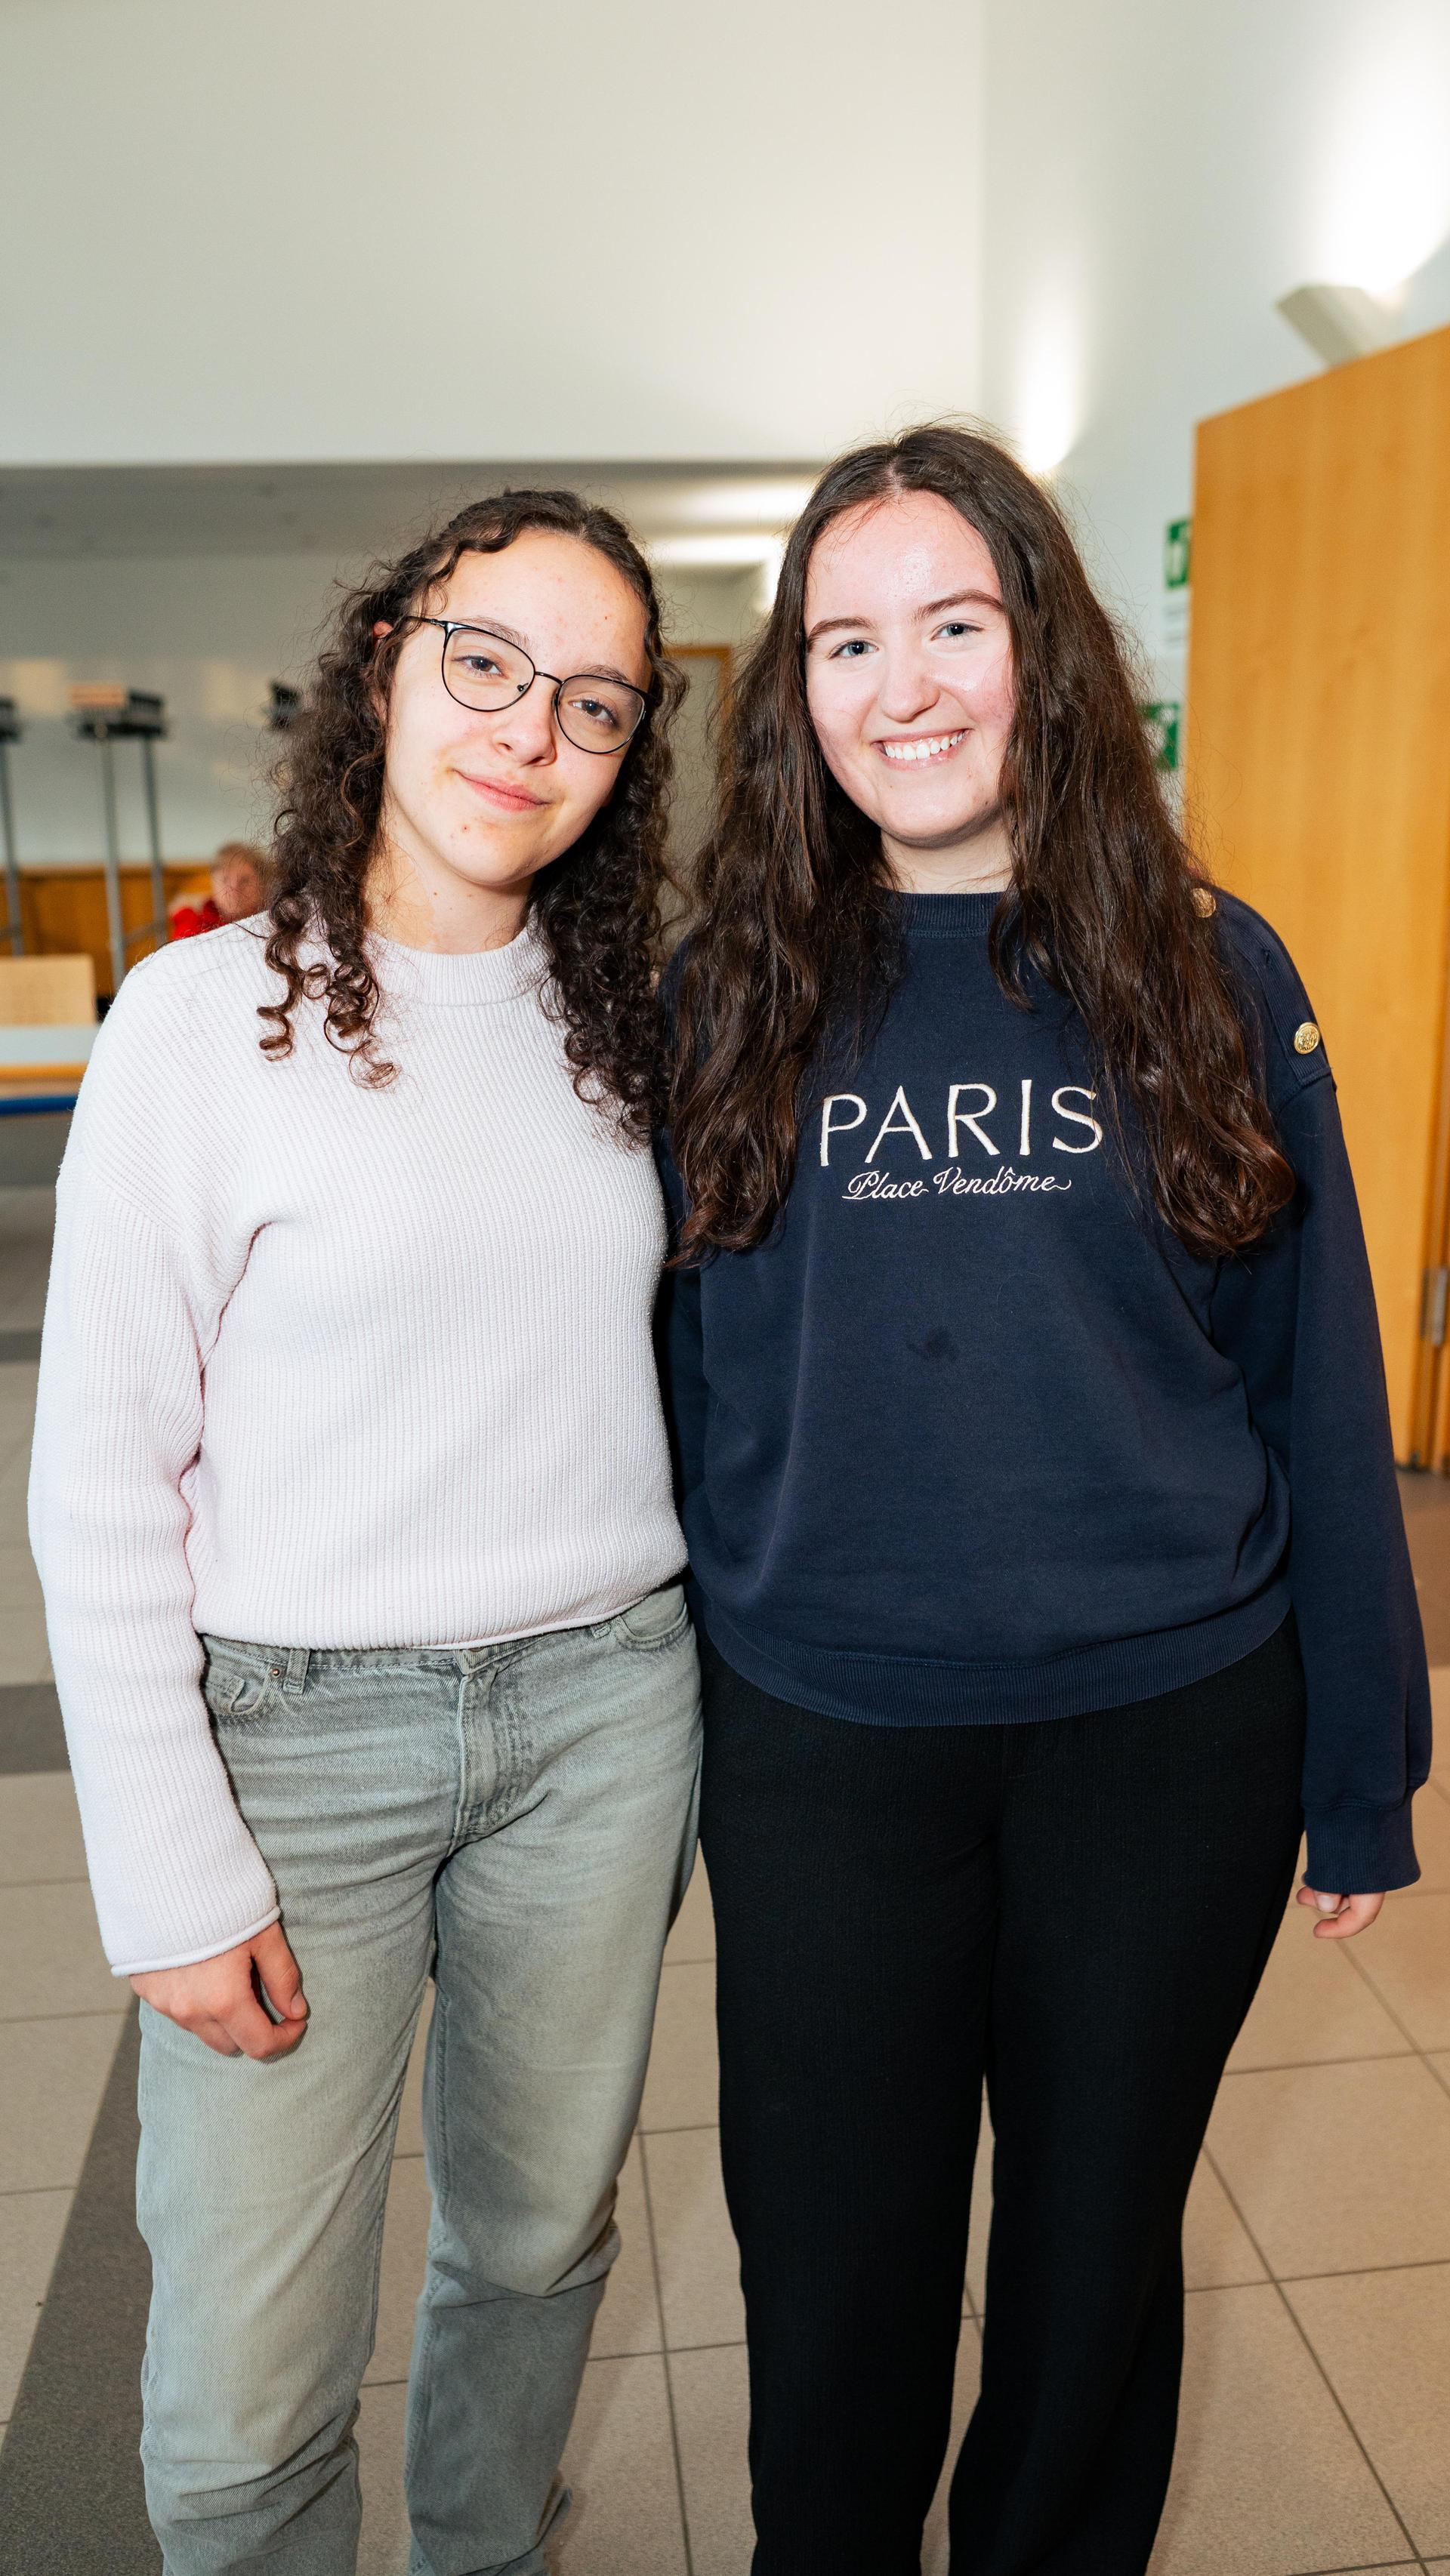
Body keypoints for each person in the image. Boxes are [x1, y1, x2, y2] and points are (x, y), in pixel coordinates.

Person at [658, 424, 1430, 2575]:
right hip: (825, 1740)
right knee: (837, 2281)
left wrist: (1361, 1759)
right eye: (846, 640)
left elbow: (1314, 1369)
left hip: (1165, 1738)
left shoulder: (1210, 963)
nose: (902, 686)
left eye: (954, 625)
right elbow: (669, 1386)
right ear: (794, 688)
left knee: (1093, 2272)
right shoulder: (724, 990)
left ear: (1047, 651)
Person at [30, 488, 699, 2576]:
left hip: (606, 1717)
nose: (530, 729)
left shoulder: (626, 1023)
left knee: (535, 2237)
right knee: (245, 2380)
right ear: (389, 665)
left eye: (594, 700)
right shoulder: (200, 1018)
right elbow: (98, 1475)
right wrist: (165, 1860)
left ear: (628, 749)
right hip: (296, 1741)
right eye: (487, 662)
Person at [170, 837, 272, 937]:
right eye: (225, 880)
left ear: (262, 884)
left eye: (245, 880)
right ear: (213, 883)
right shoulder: (192, 928)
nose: (234, 888)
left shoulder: (273, 923)